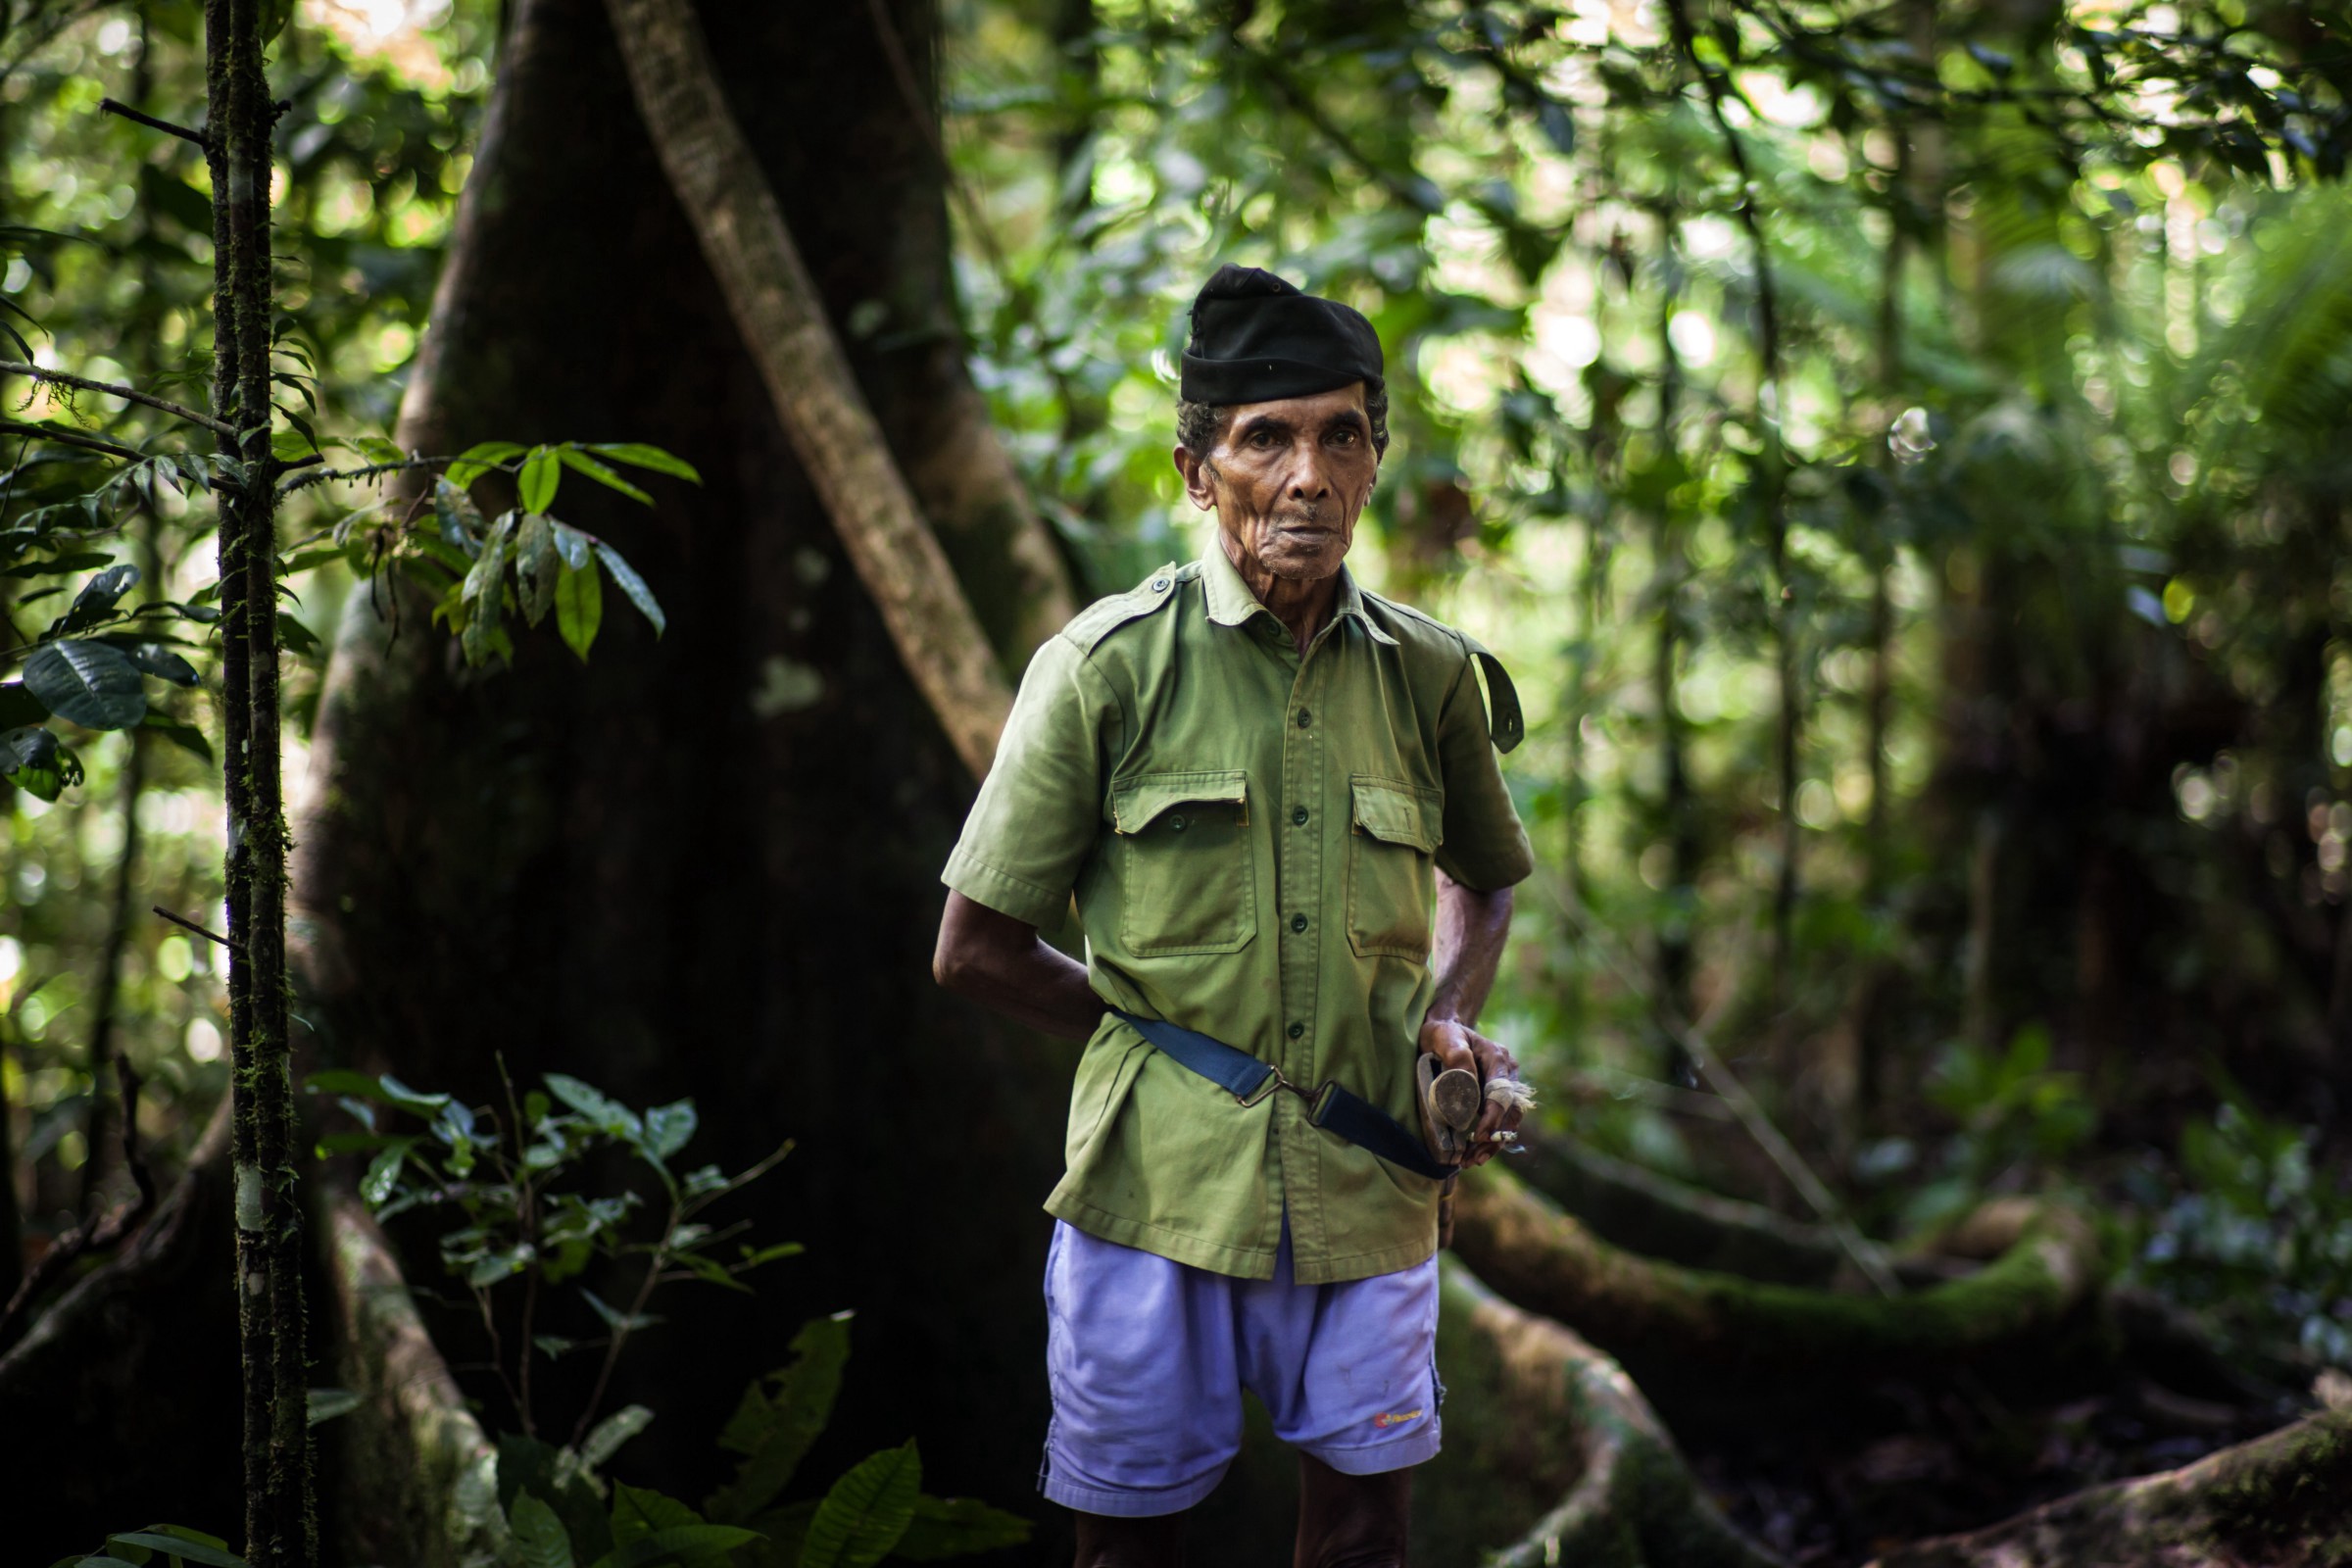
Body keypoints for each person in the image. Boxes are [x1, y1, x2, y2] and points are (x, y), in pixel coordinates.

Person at [932, 263, 1534, 1567]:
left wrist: (1449, 1024)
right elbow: (972, 949)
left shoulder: (1432, 675)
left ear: (1376, 464)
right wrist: (1156, 1033)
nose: (1307, 475)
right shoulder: (1102, 667)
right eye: (1267, 438)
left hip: (1374, 1181)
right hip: (1155, 1196)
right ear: (1199, 471)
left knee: (1367, 1529)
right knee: (1128, 1544)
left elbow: (1483, 881)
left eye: (1342, 437)